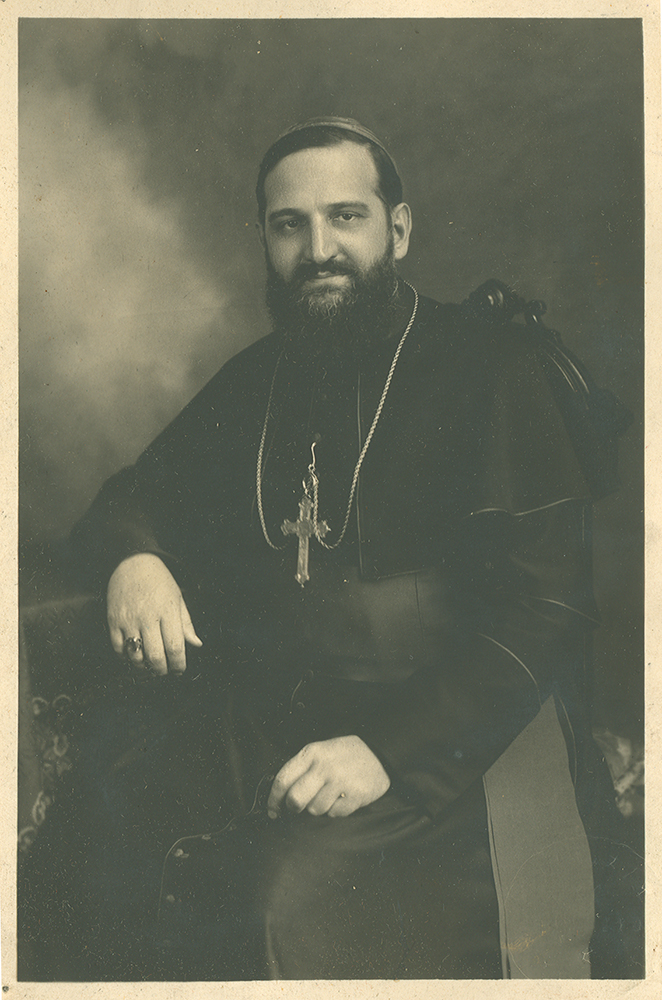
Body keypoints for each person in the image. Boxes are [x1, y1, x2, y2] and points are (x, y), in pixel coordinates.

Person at [19, 117, 634, 981]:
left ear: (400, 229)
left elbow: (550, 612)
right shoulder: (260, 374)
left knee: (276, 905)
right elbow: (136, 494)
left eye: (346, 217)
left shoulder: (493, 367)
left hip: (452, 737)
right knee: (99, 836)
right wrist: (136, 559)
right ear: (265, 241)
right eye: (289, 225)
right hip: (289, 713)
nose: (319, 250)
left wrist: (387, 751)